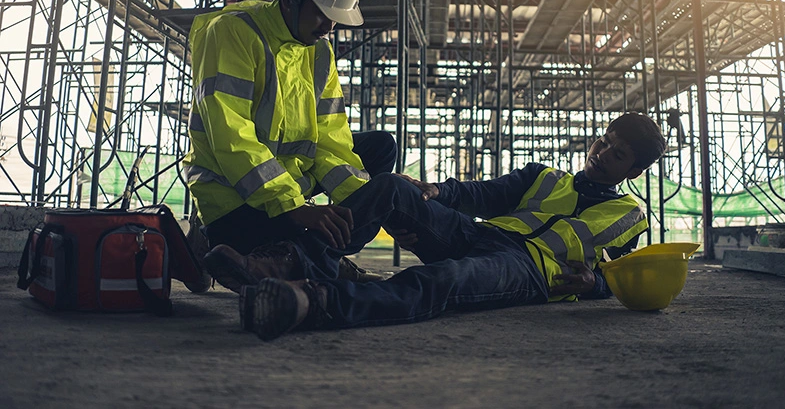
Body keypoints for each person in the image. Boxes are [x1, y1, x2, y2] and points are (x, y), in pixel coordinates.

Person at [206, 112, 666, 340]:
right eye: (604, 141)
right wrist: (433, 193)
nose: (603, 154)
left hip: (527, 270)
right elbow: (482, 195)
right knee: (390, 187)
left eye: (619, 153)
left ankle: (312, 301)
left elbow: (625, 272)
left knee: (438, 281)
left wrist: (595, 285)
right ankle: (289, 261)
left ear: (635, 170)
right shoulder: (543, 176)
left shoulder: (629, 213)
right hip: (479, 235)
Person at [182, 0, 396, 287]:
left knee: (381, 150)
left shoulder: (320, 52)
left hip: (290, 189)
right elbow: (232, 138)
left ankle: (294, 260)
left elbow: (331, 141)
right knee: (293, 235)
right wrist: (293, 208)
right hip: (234, 200)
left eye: (335, 18)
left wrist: (367, 202)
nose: (329, 27)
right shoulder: (232, 33)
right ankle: (237, 245)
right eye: (322, 14)